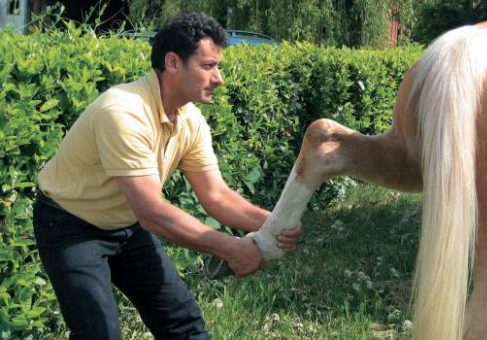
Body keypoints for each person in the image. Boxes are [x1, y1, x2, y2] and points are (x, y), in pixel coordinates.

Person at [33, 11, 302, 340]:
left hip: (125, 225)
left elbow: (215, 195)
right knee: (98, 333)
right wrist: (231, 248)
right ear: (173, 63)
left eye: (218, 66)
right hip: (71, 226)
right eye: (208, 66)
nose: (218, 78)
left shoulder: (190, 121)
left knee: (182, 322)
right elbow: (152, 213)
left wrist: (273, 222)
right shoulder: (123, 112)